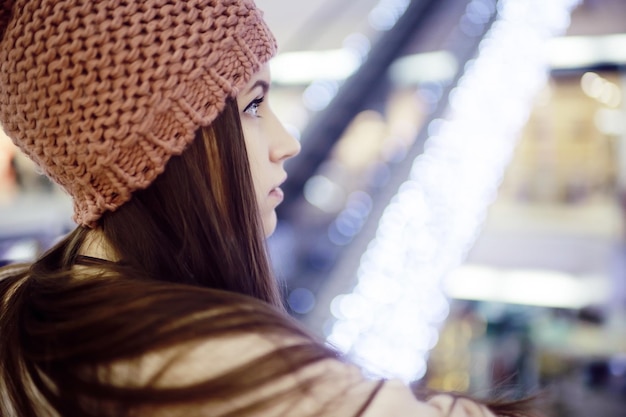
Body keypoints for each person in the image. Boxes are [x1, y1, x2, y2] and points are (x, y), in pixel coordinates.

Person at [0, 1, 542, 416]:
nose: (287, 142)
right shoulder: (212, 364)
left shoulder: (24, 306)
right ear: (166, 144)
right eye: (253, 106)